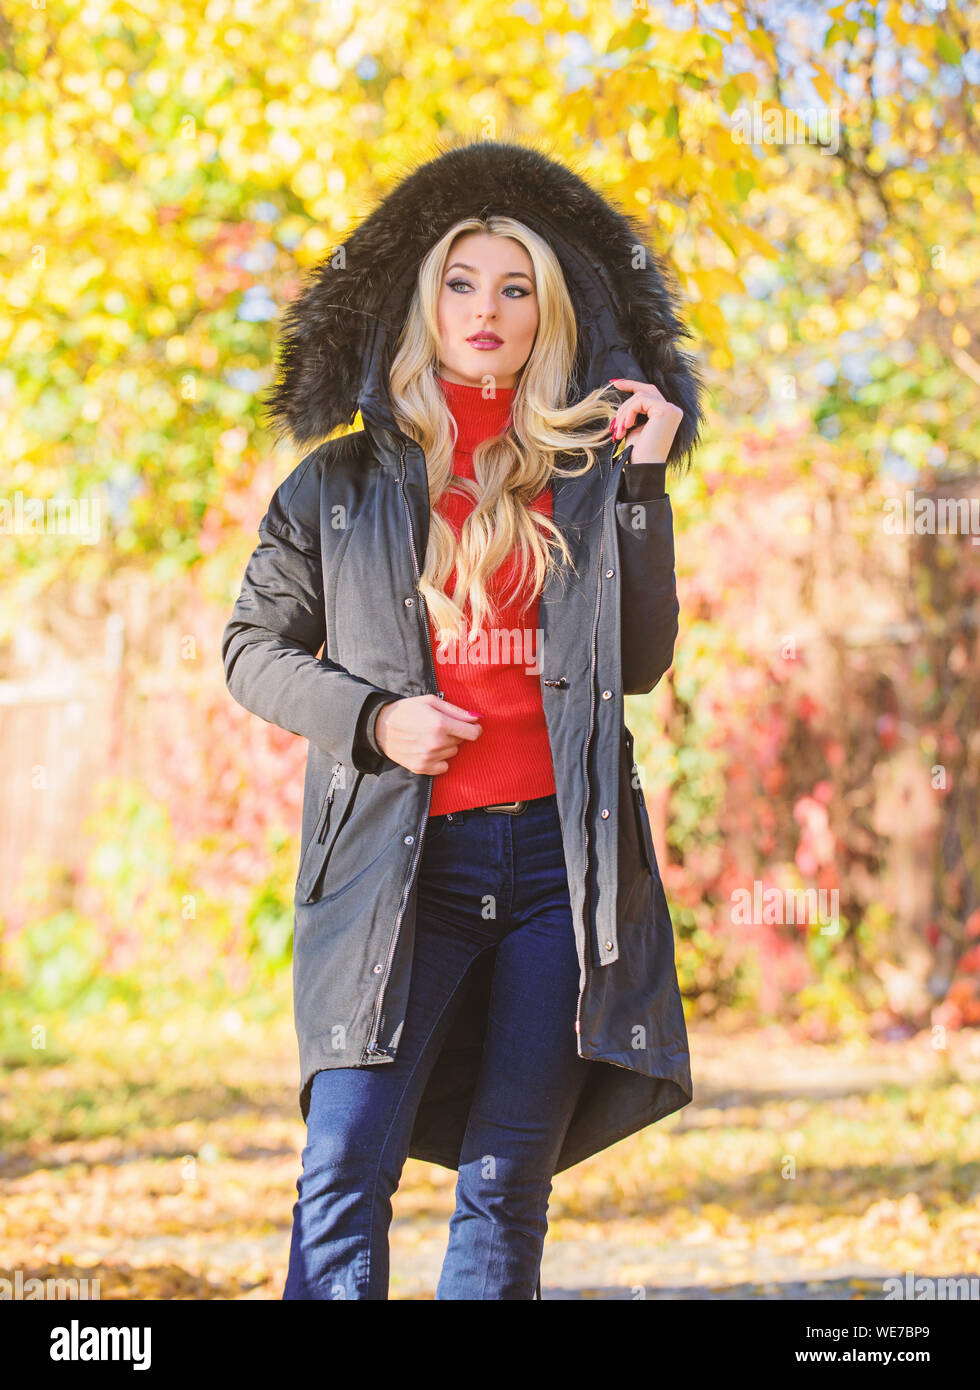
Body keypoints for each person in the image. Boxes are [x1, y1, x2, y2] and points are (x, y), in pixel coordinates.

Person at [222, 139, 705, 1300]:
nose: (484, 309)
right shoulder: (334, 488)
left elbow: (638, 664)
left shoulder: (589, 476)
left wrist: (641, 485)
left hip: (557, 868)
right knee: (343, 1161)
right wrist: (376, 719)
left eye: (513, 287)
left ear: (546, 316)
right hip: (398, 862)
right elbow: (251, 652)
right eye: (459, 282)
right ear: (420, 302)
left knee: (504, 1179)